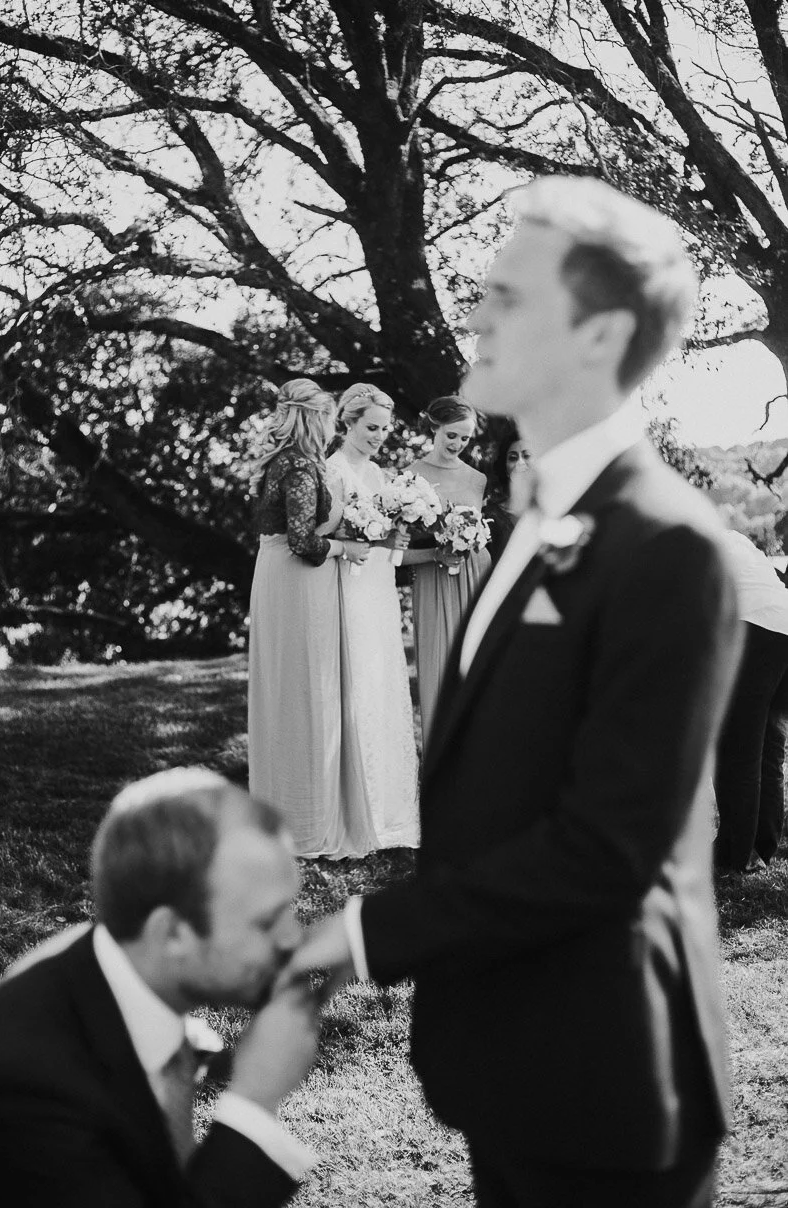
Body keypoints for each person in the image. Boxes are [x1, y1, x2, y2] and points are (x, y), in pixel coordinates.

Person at [284, 176, 743, 1208]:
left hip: (606, 1079)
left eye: (509, 295)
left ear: (600, 334)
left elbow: (606, 848)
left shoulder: (664, 547)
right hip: (514, 1064)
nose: (478, 315)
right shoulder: (541, 517)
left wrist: (365, 935)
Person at [0, 767, 321, 1207]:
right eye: (266, 922)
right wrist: (256, 1098)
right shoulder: (26, 1090)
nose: (293, 937)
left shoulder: (108, 963)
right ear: (171, 934)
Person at [248, 378, 375, 858]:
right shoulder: (300, 465)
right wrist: (346, 548)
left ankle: (285, 813)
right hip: (298, 581)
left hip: (277, 575)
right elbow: (303, 540)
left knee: (286, 693)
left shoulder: (281, 462)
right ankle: (304, 823)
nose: (330, 426)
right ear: (312, 418)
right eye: (326, 417)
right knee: (305, 693)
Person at [326, 383, 419, 848]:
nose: (380, 436)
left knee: (383, 684)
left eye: (384, 429)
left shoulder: (380, 474)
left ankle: (390, 808)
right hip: (349, 586)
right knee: (357, 684)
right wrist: (369, 539)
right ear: (349, 422)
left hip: (379, 587)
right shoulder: (333, 471)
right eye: (372, 427)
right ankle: (356, 806)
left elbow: (384, 541)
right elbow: (329, 535)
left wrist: (396, 540)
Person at [401, 395, 491, 744]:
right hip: (433, 578)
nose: (457, 444)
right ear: (434, 428)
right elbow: (395, 553)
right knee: (438, 669)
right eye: (451, 435)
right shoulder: (410, 477)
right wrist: (435, 554)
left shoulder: (477, 479)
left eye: (465, 438)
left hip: (475, 577)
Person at [714, 529, 788, 873]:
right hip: (784, 624)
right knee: (770, 745)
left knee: (737, 750)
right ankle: (761, 847)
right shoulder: (739, 542)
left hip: (753, 627)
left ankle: (733, 855)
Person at [483, 419, 533, 564]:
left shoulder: (554, 507)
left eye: (527, 456)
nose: (520, 463)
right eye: (513, 458)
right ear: (505, 467)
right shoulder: (492, 515)